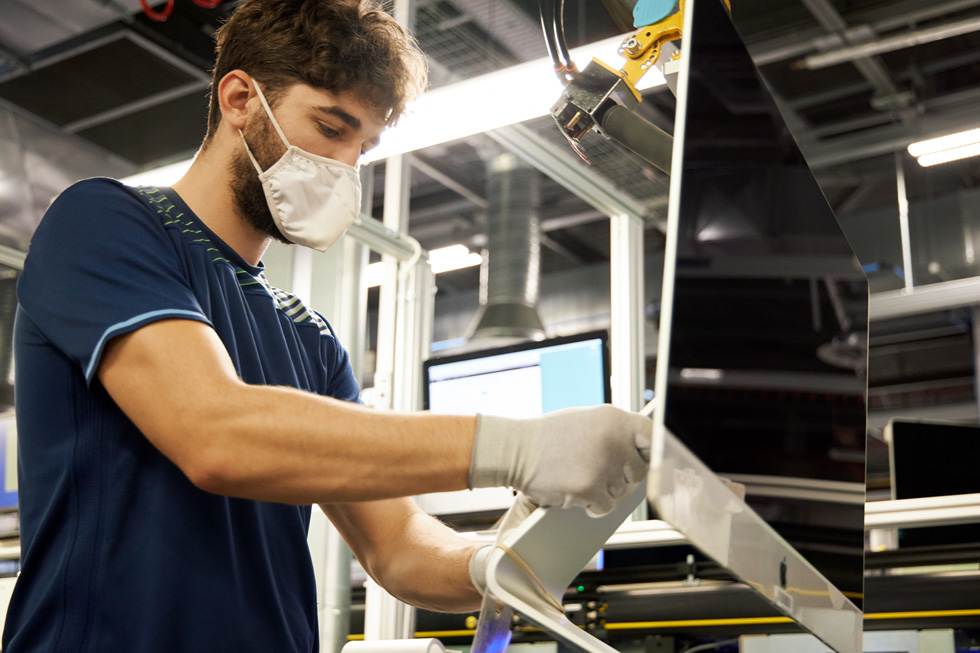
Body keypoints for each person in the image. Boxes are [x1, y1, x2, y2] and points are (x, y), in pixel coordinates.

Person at [3, 0, 653, 651]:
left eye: (363, 146)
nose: (345, 165)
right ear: (238, 98)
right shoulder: (105, 223)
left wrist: (493, 565)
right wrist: (521, 448)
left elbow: (397, 545)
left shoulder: (309, 341)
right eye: (330, 126)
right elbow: (213, 433)